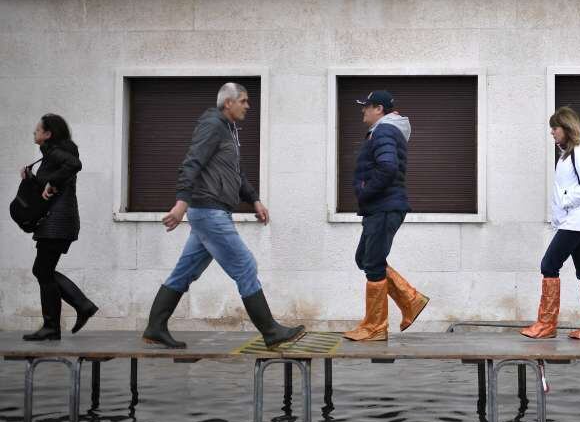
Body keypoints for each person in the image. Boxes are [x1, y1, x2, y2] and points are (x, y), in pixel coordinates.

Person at [142, 82, 304, 349]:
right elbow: (192, 161)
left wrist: (254, 199)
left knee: (184, 272)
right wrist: (181, 202)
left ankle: (155, 327)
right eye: (244, 100)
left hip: (211, 211)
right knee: (245, 266)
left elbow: (234, 174)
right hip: (209, 210)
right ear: (228, 102)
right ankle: (271, 332)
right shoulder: (212, 125)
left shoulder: (228, 130)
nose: (248, 106)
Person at [344, 90, 428, 341]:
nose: (363, 111)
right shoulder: (385, 131)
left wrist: (365, 191)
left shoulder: (384, 131)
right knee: (365, 258)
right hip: (382, 206)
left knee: (372, 264)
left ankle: (376, 327)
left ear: (379, 109)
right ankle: (410, 299)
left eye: (366, 107)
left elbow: (388, 166)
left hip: (383, 206)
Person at [522, 106, 580, 340]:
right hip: (572, 220)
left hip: (575, 220)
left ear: (566, 128)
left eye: (555, 128)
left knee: (549, 265)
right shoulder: (568, 152)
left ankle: (547, 324)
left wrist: (567, 201)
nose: (552, 132)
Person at [21, 113, 98, 341]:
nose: (34, 133)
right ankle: (63, 319)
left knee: (42, 270)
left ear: (48, 134)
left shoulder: (57, 153)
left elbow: (74, 166)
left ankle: (68, 315)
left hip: (57, 222)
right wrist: (32, 178)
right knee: (42, 270)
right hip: (56, 221)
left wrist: (52, 183)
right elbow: (52, 185)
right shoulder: (53, 155)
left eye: (37, 130)